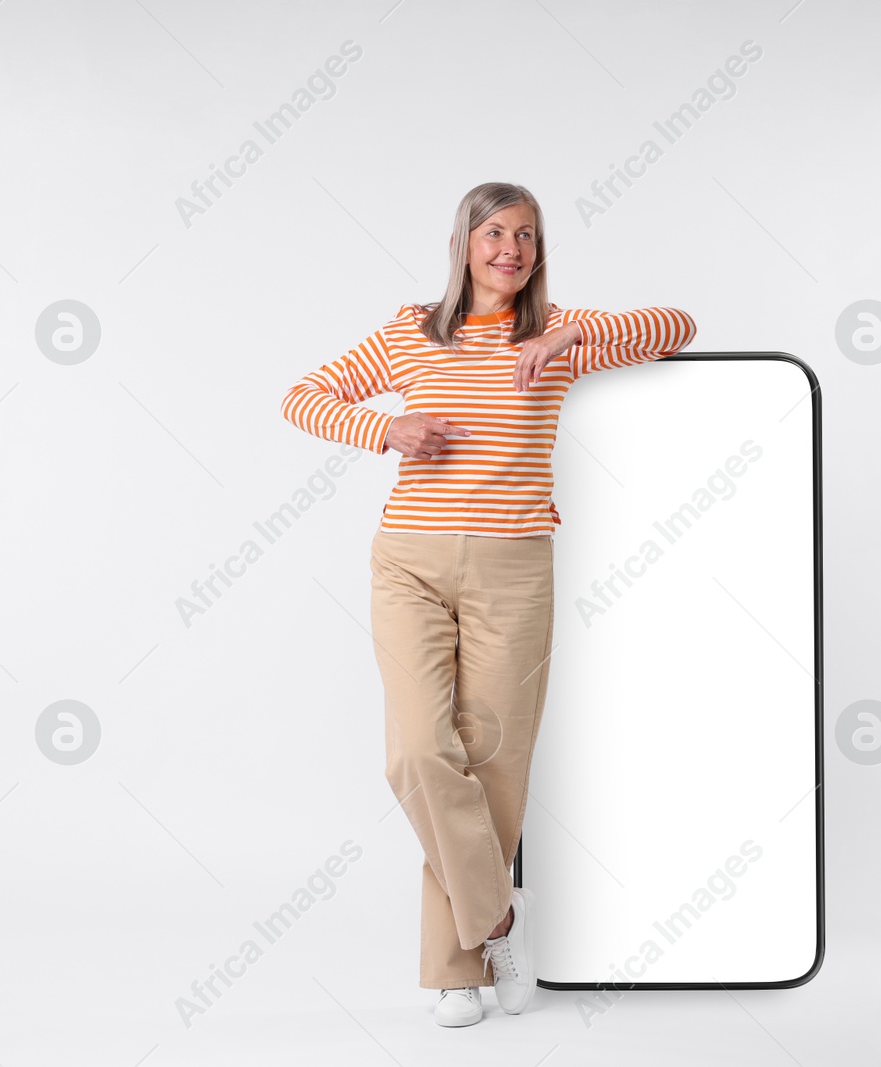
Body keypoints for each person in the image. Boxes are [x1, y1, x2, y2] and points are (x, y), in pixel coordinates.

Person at [279, 181, 696, 1026]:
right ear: (463, 241)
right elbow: (303, 395)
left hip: (514, 565)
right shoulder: (410, 330)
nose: (511, 248)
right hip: (411, 561)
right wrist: (384, 430)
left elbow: (679, 324)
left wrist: (576, 330)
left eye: (528, 236)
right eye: (495, 231)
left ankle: (453, 971)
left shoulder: (558, 333)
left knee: (494, 760)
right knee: (419, 754)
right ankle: (501, 919)